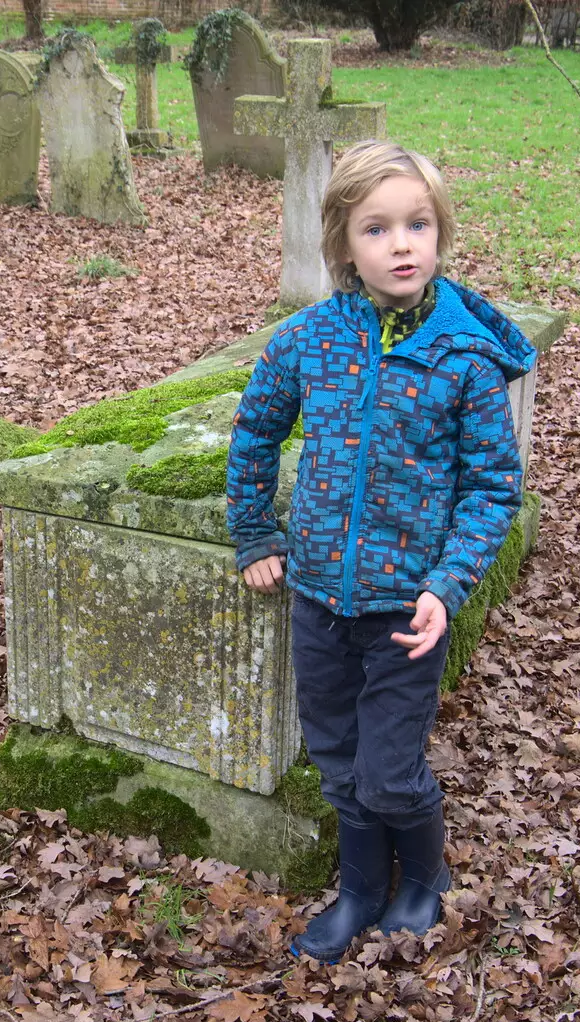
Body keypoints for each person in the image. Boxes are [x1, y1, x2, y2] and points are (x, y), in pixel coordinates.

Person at [226, 141, 536, 963]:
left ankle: (421, 880)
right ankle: (360, 886)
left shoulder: (462, 358)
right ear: (343, 245)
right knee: (335, 757)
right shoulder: (309, 342)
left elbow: (491, 488)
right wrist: (256, 531)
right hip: (320, 597)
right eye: (378, 228)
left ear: (439, 235)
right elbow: (256, 430)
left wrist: (448, 582)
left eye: (418, 224)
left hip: (407, 610)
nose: (402, 244)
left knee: (389, 767)